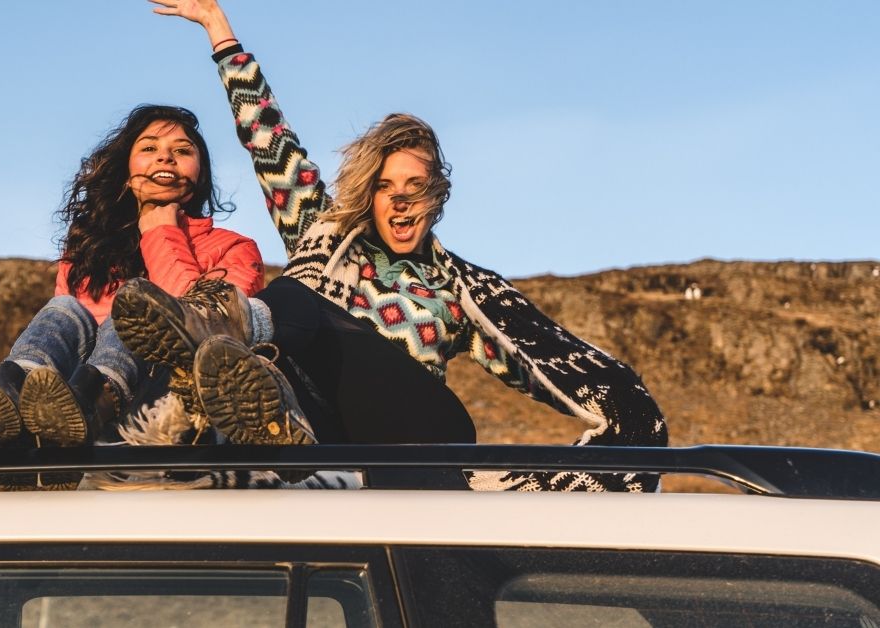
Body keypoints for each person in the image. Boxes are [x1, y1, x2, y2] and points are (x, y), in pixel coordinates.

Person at [112, 0, 668, 492]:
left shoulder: (459, 286)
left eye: (415, 188)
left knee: (290, 300)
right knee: (287, 319)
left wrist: (549, 484)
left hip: (418, 436)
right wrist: (218, 28)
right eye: (385, 187)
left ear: (437, 197)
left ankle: (216, 324)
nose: (399, 202)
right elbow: (268, 139)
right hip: (331, 436)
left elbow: (569, 366)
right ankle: (254, 422)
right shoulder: (324, 231)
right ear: (368, 195)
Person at [0, 104, 265, 449]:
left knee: (133, 308)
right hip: (64, 401)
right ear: (126, 172)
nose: (165, 158)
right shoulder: (88, 250)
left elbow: (204, 329)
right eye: (149, 149)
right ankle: (13, 407)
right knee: (63, 310)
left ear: (200, 174)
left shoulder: (235, 248)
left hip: (164, 404)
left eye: (182, 150)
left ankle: (98, 398)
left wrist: (161, 233)